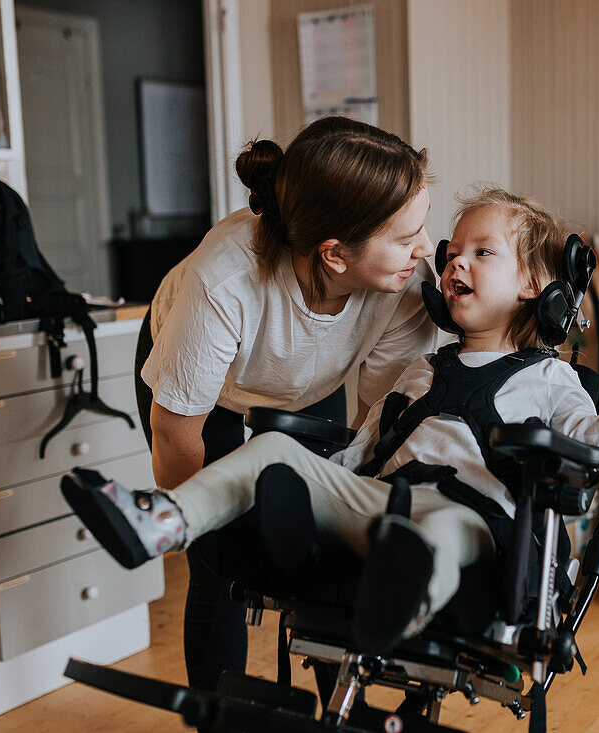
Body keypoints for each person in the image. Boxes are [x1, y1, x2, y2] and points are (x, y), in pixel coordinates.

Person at [78, 186, 599, 654]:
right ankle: (162, 521)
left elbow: (597, 445)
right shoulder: (421, 369)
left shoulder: (553, 380)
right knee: (275, 452)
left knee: (440, 537)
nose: (456, 264)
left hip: (472, 516)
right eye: (453, 252)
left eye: (483, 253)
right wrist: (313, 481)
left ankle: (404, 600)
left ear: (535, 284)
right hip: (383, 498)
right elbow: (366, 445)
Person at [133, 116, 441, 691]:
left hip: (309, 382)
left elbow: (372, 431)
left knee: (324, 552)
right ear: (334, 254)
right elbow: (175, 433)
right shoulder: (222, 282)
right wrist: (209, 529)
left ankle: (338, 716)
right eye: (406, 237)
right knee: (218, 568)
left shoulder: (407, 287)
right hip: (204, 391)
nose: (425, 249)